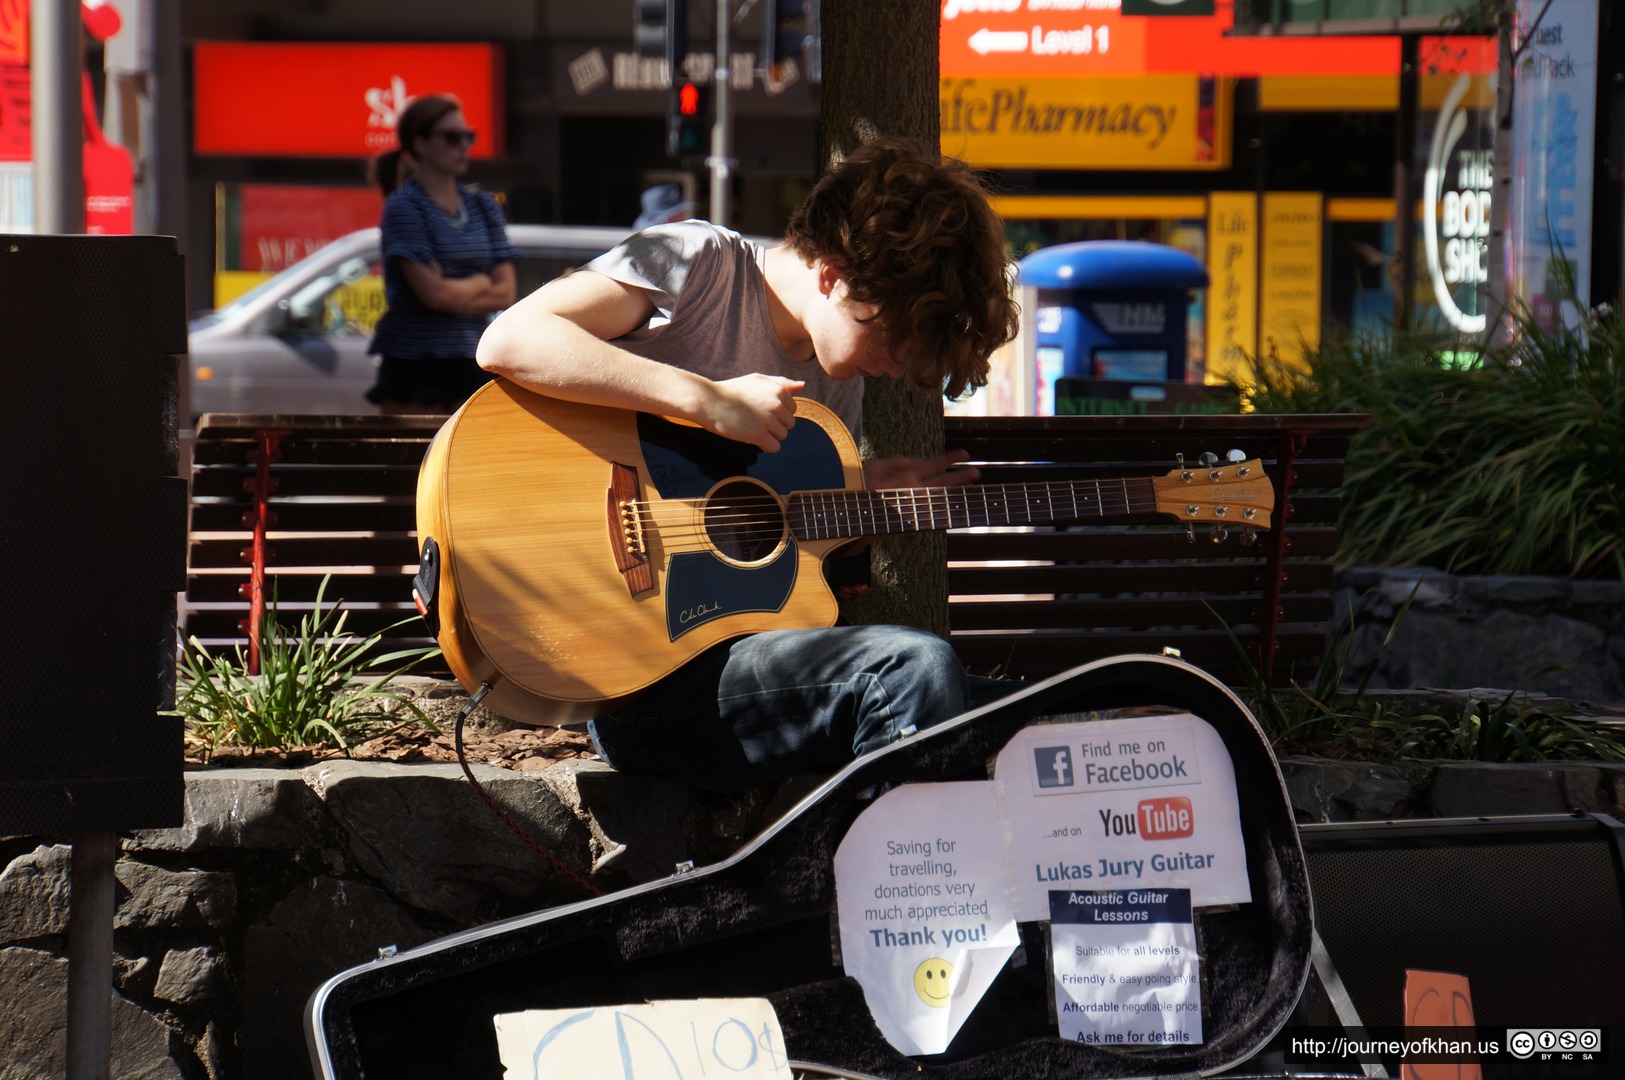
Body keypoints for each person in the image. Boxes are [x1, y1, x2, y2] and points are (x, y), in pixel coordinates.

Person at [476, 136, 1021, 792]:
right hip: (632, 675)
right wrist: (703, 400)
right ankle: (866, 888)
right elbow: (509, 339)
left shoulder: (833, 374)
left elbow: (775, 568)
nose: (900, 364)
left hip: (739, 670)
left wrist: (856, 504)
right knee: (913, 670)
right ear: (832, 275)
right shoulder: (697, 263)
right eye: (893, 336)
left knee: (1010, 708)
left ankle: (897, 885)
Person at [366, 94, 518, 413]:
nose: (464, 145)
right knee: (416, 461)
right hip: (416, 366)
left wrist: (454, 291)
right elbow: (433, 295)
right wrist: (479, 282)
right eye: (452, 137)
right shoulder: (404, 207)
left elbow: (506, 291)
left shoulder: (483, 205)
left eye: (468, 136)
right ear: (420, 145)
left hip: (472, 359)